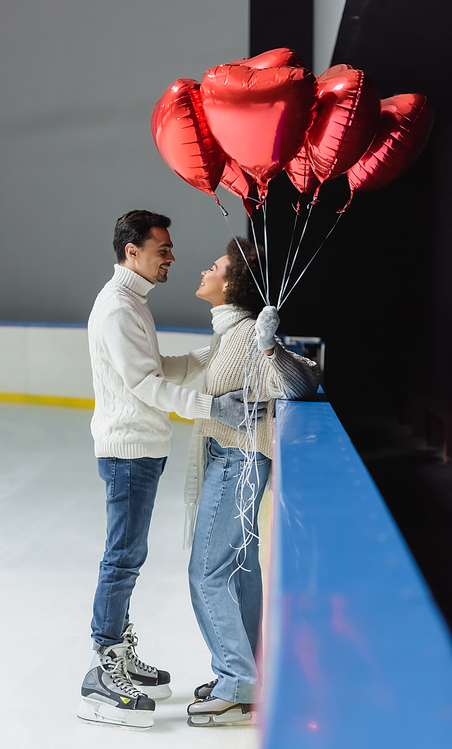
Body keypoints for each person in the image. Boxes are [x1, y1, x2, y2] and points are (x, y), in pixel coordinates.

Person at [78, 211, 265, 730]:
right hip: (128, 449)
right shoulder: (117, 308)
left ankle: (117, 648)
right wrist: (211, 406)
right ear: (131, 252)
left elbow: (155, 366)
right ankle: (103, 664)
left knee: (129, 554)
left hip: (143, 448)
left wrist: (208, 356)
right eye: (162, 249)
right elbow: (145, 385)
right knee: (122, 556)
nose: (172, 257)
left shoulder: (132, 304)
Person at [184, 236, 320, 727]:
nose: (205, 271)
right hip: (232, 457)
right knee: (239, 572)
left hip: (237, 462)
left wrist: (270, 344)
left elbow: (302, 383)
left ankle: (237, 681)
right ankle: (249, 673)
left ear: (230, 283)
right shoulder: (228, 332)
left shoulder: (244, 333)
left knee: (206, 571)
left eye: (214, 266)